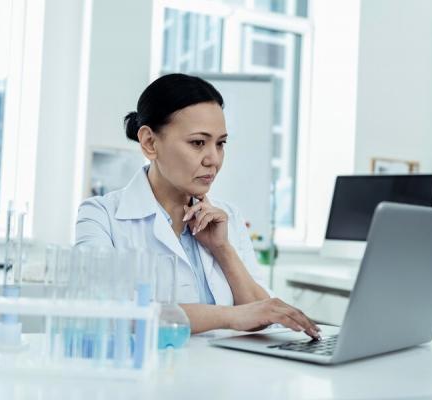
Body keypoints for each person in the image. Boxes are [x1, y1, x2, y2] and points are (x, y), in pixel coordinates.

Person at [76, 73, 319, 339]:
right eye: (198, 143)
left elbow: (263, 315)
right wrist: (231, 317)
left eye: (220, 143)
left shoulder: (228, 218)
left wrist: (222, 249)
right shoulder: (100, 216)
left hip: (223, 374)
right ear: (149, 142)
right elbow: (111, 312)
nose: (213, 159)